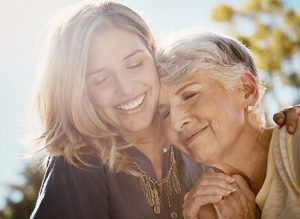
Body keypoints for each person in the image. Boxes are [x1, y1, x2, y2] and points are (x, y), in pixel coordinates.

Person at [29, 1, 300, 219]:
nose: (126, 89)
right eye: (101, 79)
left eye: (135, 64)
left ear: (150, 52)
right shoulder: (81, 160)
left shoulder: (205, 153)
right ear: (80, 91)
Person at [157, 31, 300, 218]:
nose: (176, 122)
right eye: (165, 113)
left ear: (246, 89)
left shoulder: (295, 142)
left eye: (190, 95)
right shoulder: (207, 208)